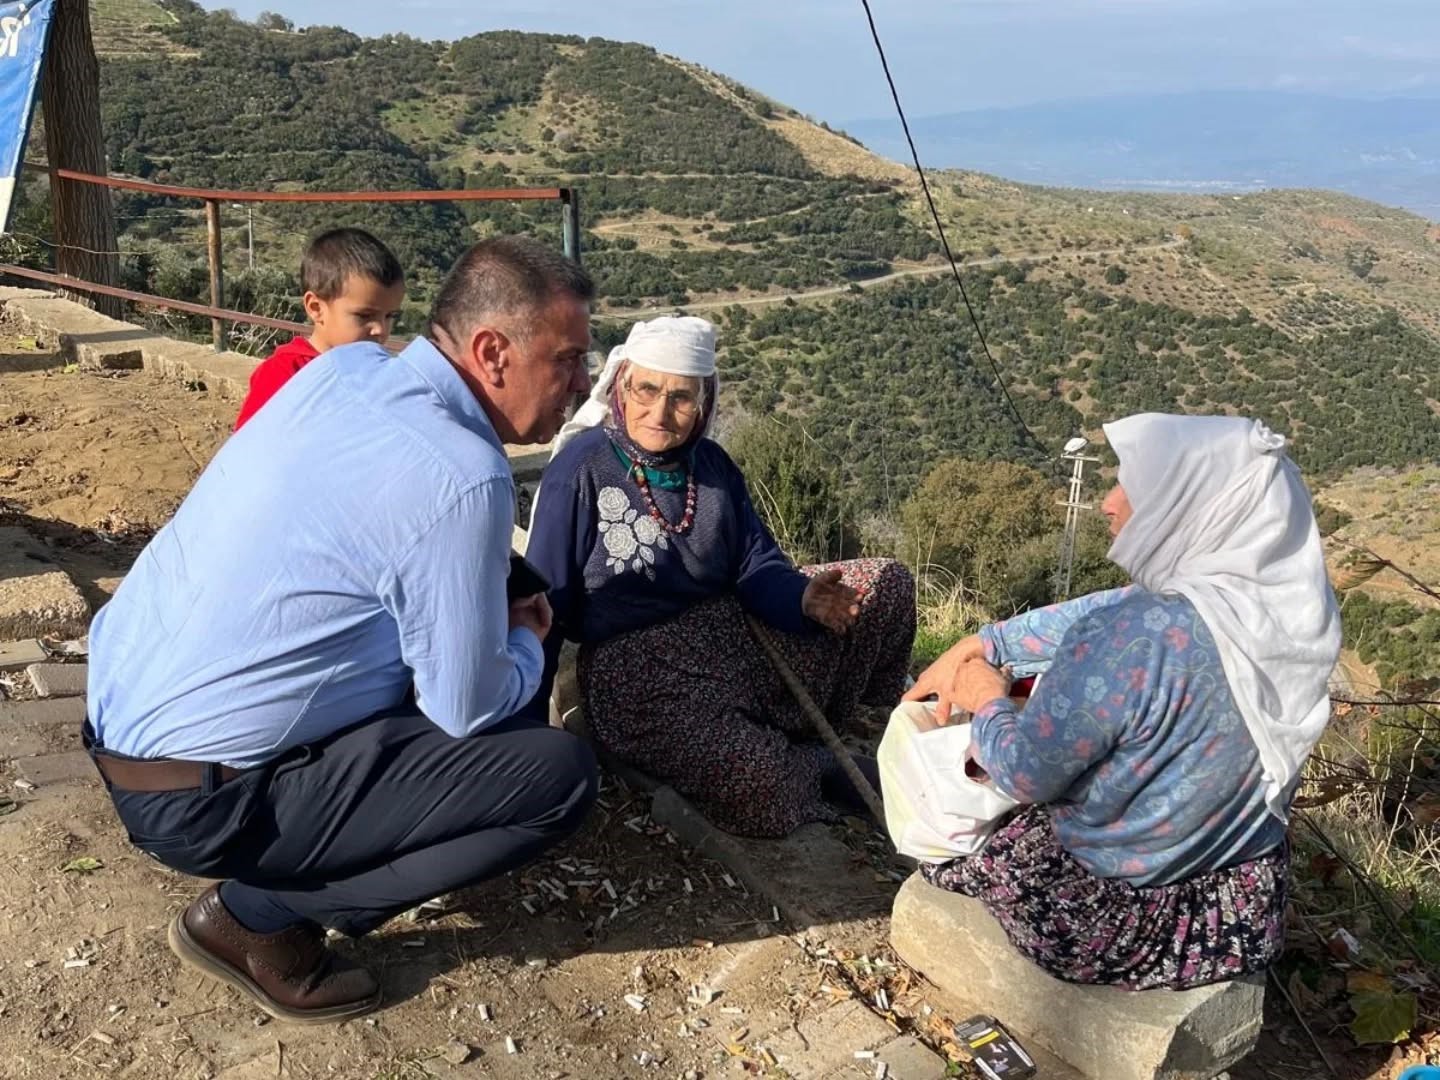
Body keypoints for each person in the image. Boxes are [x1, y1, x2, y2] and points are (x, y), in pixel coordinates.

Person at [85, 237, 598, 1023]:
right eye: (567, 360)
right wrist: (524, 640)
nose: (582, 384)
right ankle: (256, 916)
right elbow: (468, 708)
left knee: (488, 597)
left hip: (120, 726)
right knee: (556, 777)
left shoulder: (346, 370)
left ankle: (320, 843)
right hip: (196, 802)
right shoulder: (465, 472)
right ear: (493, 351)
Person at [901, 413, 1341, 990]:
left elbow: (1025, 775)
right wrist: (990, 641)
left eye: (1134, 487)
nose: (1109, 503)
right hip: (1234, 915)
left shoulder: (1131, 636)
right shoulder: (1288, 613)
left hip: (1112, 926)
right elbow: (1117, 605)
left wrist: (987, 698)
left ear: (1193, 509)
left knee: (950, 819)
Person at [525, 315, 916, 838]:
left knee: (885, 583)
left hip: (732, 639)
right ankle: (818, 764)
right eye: (647, 389)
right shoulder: (582, 470)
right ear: (621, 384)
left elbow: (755, 566)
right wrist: (527, 732)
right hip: (640, 671)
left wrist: (803, 598)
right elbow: (541, 605)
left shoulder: (711, 466)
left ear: (704, 403)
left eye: (681, 398)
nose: (660, 412)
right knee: (753, 778)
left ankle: (869, 724)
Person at [232, 227, 405, 430]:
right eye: (364, 316)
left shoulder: (378, 371)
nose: (380, 330)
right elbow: (248, 446)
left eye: (390, 316)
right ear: (316, 308)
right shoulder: (283, 374)